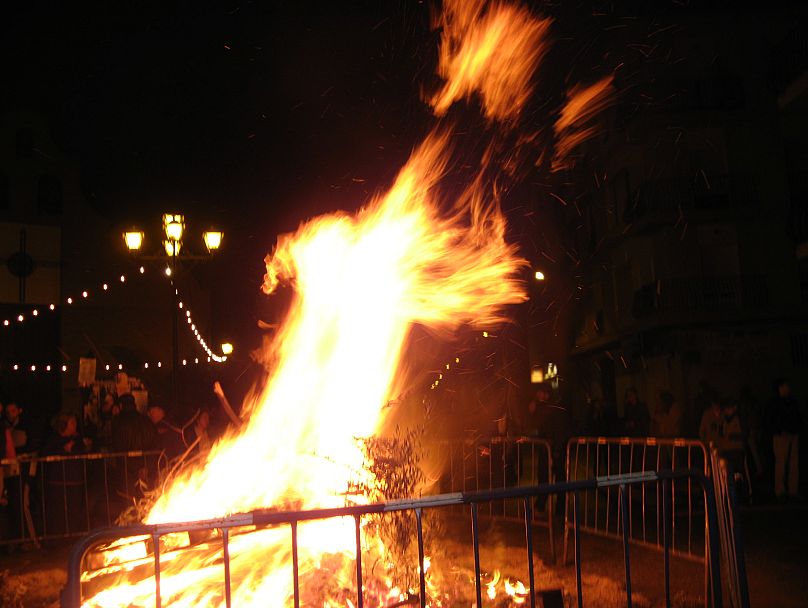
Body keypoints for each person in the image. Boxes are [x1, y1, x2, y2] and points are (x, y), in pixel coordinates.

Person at [41, 413, 88, 537]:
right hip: (58, 481)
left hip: (75, 480)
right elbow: (47, 454)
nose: (75, 425)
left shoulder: (78, 440)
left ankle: (74, 535)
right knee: (59, 511)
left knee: (74, 510)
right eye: (72, 423)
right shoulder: (53, 440)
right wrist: (63, 449)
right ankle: (58, 537)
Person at [767, 379, 802, 502]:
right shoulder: (776, 403)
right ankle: (780, 490)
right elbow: (772, 419)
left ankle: (792, 490)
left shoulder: (791, 401)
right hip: (781, 435)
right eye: (786, 386)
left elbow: (797, 416)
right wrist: (779, 430)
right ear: (780, 387)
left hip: (792, 434)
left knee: (793, 464)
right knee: (781, 463)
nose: (788, 388)